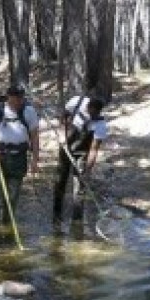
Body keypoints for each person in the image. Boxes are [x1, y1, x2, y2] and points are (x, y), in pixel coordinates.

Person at [0, 83, 40, 224]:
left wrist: (35, 160)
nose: (19, 101)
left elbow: (35, 136)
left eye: (21, 97)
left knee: (12, 198)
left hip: (19, 158)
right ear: (8, 97)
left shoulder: (29, 111)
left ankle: (6, 225)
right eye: (16, 97)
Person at [53, 95, 108, 224]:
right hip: (66, 146)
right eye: (90, 112)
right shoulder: (76, 102)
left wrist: (87, 170)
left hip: (82, 153)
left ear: (99, 112)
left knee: (79, 187)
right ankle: (56, 214)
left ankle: (76, 220)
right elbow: (64, 115)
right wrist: (62, 134)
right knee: (60, 181)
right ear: (88, 106)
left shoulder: (100, 125)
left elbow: (94, 149)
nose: (92, 116)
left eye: (95, 114)